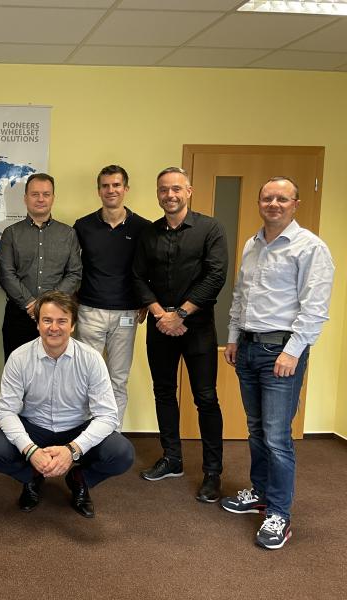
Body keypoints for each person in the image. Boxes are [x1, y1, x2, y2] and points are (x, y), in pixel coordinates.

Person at [221, 177, 334, 550]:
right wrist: (234, 338)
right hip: (249, 348)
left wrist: (293, 351)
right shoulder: (252, 245)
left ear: (296, 204)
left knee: (277, 437)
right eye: (267, 197)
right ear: (259, 202)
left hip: (281, 353)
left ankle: (279, 515)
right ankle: (261, 492)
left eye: (282, 198)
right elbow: (241, 296)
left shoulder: (310, 247)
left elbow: (315, 308)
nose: (273, 204)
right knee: (256, 430)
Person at [0, 291, 133, 517]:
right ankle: (33, 476)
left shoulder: (91, 359)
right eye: (47, 320)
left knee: (122, 453)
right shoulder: (19, 358)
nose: (54, 327)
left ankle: (79, 479)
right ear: (38, 324)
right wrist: (31, 450)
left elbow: (108, 415)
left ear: (72, 326)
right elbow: (5, 410)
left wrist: (72, 450)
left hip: (76, 429)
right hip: (34, 428)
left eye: (62, 321)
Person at [132, 166, 227, 503]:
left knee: (206, 397)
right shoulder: (149, 233)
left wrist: (181, 314)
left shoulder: (210, 228)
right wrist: (161, 314)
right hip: (160, 325)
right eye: (163, 190)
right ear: (158, 194)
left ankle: (212, 473)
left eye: (176, 189)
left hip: (197, 326)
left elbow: (216, 276)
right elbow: (138, 276)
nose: (169, 195)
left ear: (189, 191)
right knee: (163, 392)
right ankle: (172, 458)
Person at [73, 165, 151, 430]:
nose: (111, 190)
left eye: (116, 185)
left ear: (125, 189)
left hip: (126, 313)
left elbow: (149, 268)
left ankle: (111, 436)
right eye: (105, 186)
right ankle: (84, 438)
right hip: (90, 311)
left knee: (118, 379)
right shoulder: (83, 226)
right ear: (99, 190)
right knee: (85, 378)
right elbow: (73, 267)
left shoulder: (143, 227)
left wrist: (146, 301)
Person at [0, 173, 82, 359]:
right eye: (35, 194)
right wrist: (31, 303)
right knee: (16, 369)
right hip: (19, 315)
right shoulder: (10, 233)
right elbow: (6, 274)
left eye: (46, 194)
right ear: (25, 198)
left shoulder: (68, 234)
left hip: (57, 317)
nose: (41, 199)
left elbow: (74, 274)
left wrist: (47, 304)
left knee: (56, 369)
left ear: (53, 198)